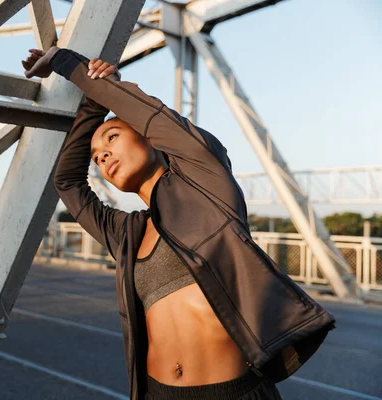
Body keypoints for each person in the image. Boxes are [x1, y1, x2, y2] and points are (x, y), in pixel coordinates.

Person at [22, 46, 336, 400]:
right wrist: (94, 107)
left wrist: (66, 62)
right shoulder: (125, 233)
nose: (103, 155)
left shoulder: (205, 182)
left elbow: (151, 115)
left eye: (112, 138)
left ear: (147, 137)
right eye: (96, 156)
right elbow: (67, 182)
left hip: (233, 392)